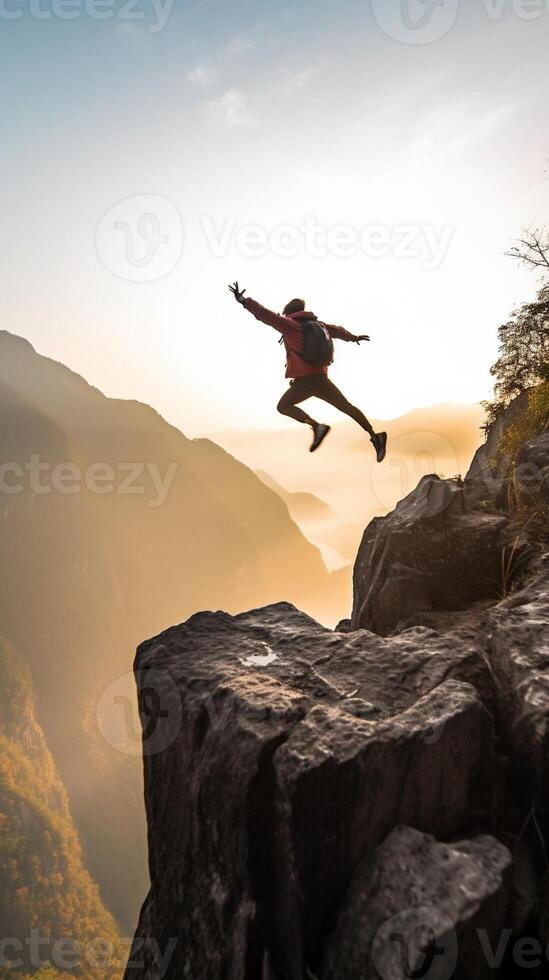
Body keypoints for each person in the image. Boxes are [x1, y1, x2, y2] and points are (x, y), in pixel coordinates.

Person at [228, 282, 387, 460]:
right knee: (346, 407)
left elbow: (266, 315)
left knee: (283, 406)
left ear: (288, 313)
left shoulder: (290, 325)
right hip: (321, 378)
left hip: (306, 381)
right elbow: (338, 330)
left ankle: (316, 426)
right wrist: (353, 337)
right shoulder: (319, 325)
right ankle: (375, 436)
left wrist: (244, 301)